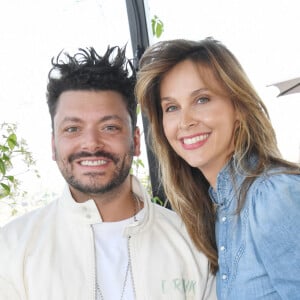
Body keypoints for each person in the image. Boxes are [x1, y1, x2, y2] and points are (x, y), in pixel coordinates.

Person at [0, 46, 216, 300]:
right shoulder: (11, 248)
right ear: (53, 145)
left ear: (135, 141)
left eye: (110, 127)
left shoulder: (192, 243)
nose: (91, 143)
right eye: (72, 129)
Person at [135, 37, 300, 300]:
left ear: (237, 106)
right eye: (172, 107)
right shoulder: (217, 210)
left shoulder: (272, 197)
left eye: (202, 99)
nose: (185, 121)